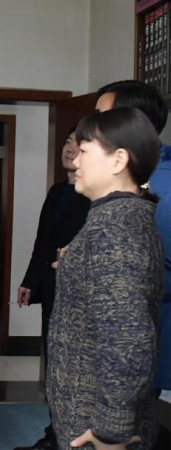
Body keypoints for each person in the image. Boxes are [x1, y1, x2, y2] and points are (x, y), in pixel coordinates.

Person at [47, 108, 163, 450]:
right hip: (88, 412)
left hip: (95, 425)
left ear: (118, 160)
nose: (75, 160)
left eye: (84, 151)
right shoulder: (115, 218)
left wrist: (110, 430)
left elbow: (128, 338)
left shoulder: (115, 228)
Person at [14, 129, 90, 450]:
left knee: (72, 367)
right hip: (50, 285)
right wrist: (30, 280)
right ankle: (54, 432)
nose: (70, 148)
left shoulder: (93, 195)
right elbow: (42, 241)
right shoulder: (57, 191)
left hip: (76, 291)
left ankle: (67, 436)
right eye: (68, 141)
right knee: (53, 361)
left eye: (78, 143)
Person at [95, 79, 171, 396]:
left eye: (101, 117)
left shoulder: (161, 187)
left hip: (147, 347)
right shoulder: (125, 176)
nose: (91, 128)